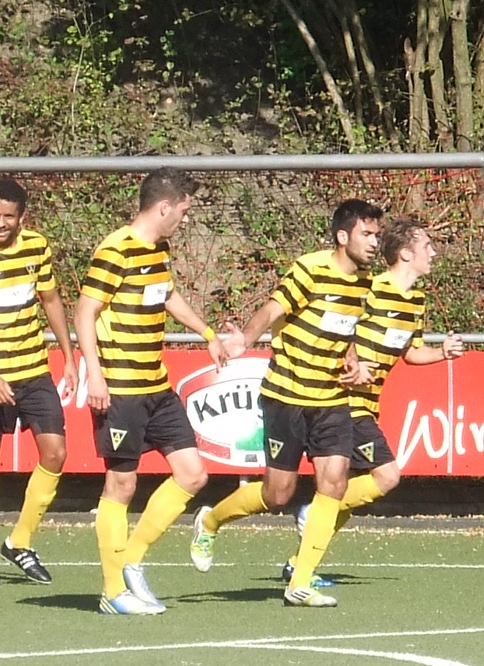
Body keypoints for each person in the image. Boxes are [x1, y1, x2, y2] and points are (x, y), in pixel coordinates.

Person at [190, 198, 382, 608]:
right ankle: (210, 520)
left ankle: (301, 580)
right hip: (287, 396)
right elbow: (271, 309)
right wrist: (244, 339)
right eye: (366, 234)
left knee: (335, 483)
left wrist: (350, 360)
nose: (373, 243)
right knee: (277, 493)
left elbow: (343, 329)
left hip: (331, 399)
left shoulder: (363, 283)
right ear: (342, 236)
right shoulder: (310, 269)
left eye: (376, 235)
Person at [280, 216, 464, 585]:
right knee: (386, 475)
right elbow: (335, 329)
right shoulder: (371, 288)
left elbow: (411, 353)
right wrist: (351, 362)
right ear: (405, 253)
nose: (433, 252)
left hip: (368, 403)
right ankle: (311, 513)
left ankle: (300, 566)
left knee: (345, 491)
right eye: (427, 246)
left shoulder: (416, 300)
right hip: (343, 400)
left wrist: (442, 353)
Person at [74, 168, 224, 615]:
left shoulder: (159, 249)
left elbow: (166, 294)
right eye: (183, 210)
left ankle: (131, 560)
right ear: (163, 206)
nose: (184, 218)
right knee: (121, 484)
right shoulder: (114, 250)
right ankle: (111, 592)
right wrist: (94, 375)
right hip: (120, 388)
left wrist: (207, 333)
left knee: (193, 474)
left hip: (157, 386)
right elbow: (84, 312)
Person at [0, 178, 78, 586]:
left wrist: (69, 357)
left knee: (56, 453)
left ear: (22, 217)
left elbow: (50, 300)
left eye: (8, 216)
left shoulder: (37, 247)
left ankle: (19, 541)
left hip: (34, 370)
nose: (0, 223)